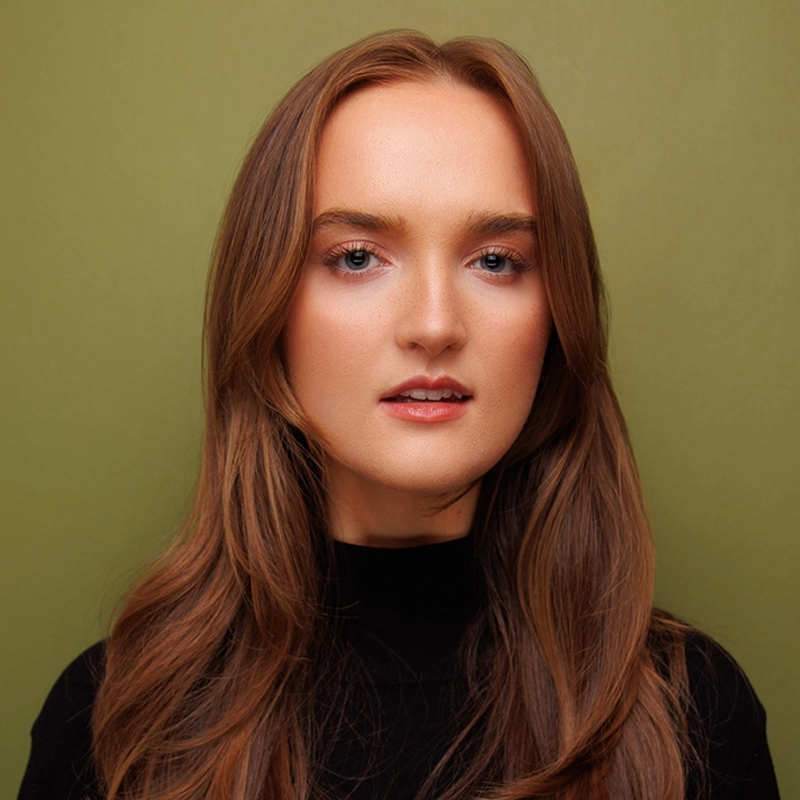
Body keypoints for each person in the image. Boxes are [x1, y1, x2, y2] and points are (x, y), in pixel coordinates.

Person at [19, 30, 779, 800]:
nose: (434, 324)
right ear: (269, 307)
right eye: (357, 257)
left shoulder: (691, 717)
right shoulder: (113, 722)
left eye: (495, 260)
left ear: (558, 315)